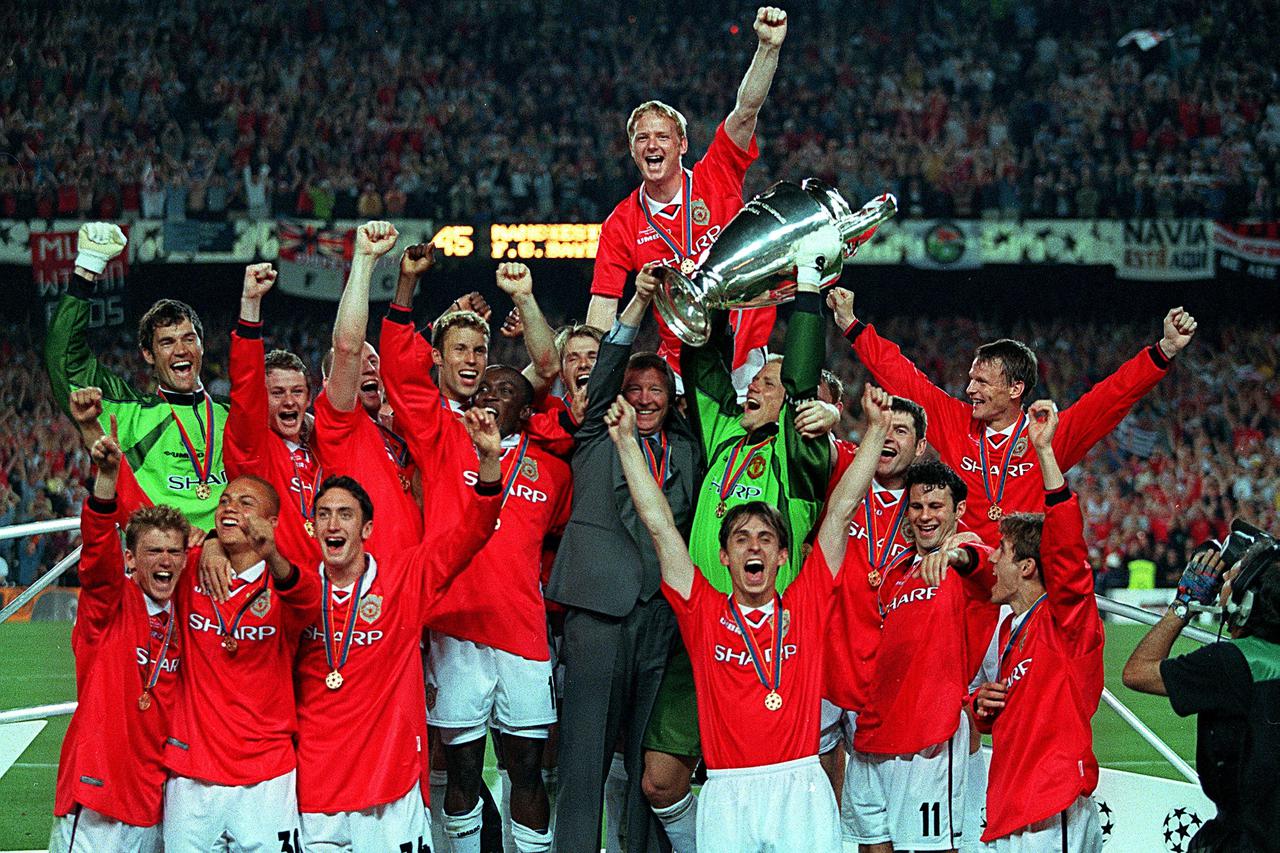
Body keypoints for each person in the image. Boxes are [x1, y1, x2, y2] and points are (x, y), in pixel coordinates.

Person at [607, 382, 893, 852]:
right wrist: (625, 445)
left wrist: (877, 431)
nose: (754, 546)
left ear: (783, 556)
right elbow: (658, 523)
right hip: (727, 791)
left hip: (799, 787)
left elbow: (840, 512)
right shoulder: (701, 611)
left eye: (764, 538)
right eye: (741, 539)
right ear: (723, 557)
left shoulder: (806, 603)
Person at [636, 248, 834, 847]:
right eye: (755, 380)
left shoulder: (799, 455)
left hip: (771, 638)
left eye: (768, 384)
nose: (754, 387)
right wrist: (706, 288)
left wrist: (806, 291)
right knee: (659, 780)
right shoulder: (725, 433)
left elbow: (801, 381)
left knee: (787, 780)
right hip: (702, 630)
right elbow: (702, 362)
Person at [380, 264, 573, 853]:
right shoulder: (439, 432)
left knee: (527, 770)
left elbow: (548, 369)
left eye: (503, 388)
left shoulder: (551, 462)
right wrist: (408, 289)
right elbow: (397, 366)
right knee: (460, 772)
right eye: (481, 386)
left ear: (526, 406)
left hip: (521, 631)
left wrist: (524, 298)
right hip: (456, 626)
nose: (488, 394)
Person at [828, 287, 1198, 543]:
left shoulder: (1046, 437)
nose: (970, 389)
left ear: (1015, 389)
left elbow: (1110, 397)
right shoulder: (956, 422)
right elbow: (903, 375)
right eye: (971, 379)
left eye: (983, 382)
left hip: (1025, 590)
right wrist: (851, 325)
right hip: (967, 588)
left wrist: (1163, 350)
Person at [293, 408, 505, 853]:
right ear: (313, 527)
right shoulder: (297, 589)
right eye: (325, 515)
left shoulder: (406, 578)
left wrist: (488, 463)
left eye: (346, 515)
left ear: (367, 528)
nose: (334, 524)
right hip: (316, 788)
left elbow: (472, 533)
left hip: (389, 788)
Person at [546, 274, 703, 853]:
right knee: (583, 766)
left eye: (654, 389)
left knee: (643, 766)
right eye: (632, 389)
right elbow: (610, 363)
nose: (642, 398)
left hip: (661, 620)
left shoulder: (688, 451)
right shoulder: (596, 432)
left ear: (670, 397)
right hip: (597, 615)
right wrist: (636, 302)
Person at [587, 7, 788, 394]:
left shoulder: (717, 176)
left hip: (747, 364)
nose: (652, 145)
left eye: (662, 136)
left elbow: (745, 112)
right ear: (632, 150)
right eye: (642, 138)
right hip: (682, 372)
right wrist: (593, 372)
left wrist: (767, 48)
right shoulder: (622, 222)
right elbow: (601, 307)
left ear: (682, 145)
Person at [50, 416, 187, 853]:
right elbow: (95, 554)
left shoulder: (188, 617)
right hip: (96, 800)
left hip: (154, 805)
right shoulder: (109, 605)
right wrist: (106, 482)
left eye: (174, 551)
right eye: (153, 551)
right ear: (130, 558)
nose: (164, 560)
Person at [971, 401, 1104, 852]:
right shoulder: (1013, 631)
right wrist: (982, 706)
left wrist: (1045, 453)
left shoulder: (1065, 620)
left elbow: (1067, 552)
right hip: (1013, 811)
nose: (990, 557)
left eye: (1001, 551)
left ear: (1028, 567)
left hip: (1049, 812)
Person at [162, 475, 320, 852]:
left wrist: (272, 556)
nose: (230, 507)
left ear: (273, 523)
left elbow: (308, 600)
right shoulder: (190, 567)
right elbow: (141, 516)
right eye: (225, 501)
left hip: (266, 776)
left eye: (246, 503)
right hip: (191, 773)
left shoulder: (287, 582)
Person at [846, 459, 994, 853]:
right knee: (872, 845)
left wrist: (956, 553)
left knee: (933, 847)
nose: (924, 516)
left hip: (930, 734)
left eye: (936, 507)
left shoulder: (965, 556)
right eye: (916, 507)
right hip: (874, 732)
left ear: (959, 510)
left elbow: (984, 564)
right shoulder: (894, 572)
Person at [45, 222, 230, 526]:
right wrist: (87, 270)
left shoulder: (232, 412)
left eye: (188, 339)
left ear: (202, 346)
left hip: (227, 560)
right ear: (148, 354)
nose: (181, 350)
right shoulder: (128, 412)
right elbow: (63, 358)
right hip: (162, 562)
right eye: (167, 342)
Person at [1122, 540, 1280, 852]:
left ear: (1245, 601)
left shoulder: (1230, 662)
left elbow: (1136, 672)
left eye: (1230, 577)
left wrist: (1184, 605)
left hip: (1248, 837)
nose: (1222, 582)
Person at [820, 395, 927, 798]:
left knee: (883, 803)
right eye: (881, 427)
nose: (888, 438)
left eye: (900, 430)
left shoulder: (928, 503)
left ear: (919, 447)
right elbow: (817, 441)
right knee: (822, 789)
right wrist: (833, 413)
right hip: (830, 660)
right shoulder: (847, 466)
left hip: (889, 673)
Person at [313, 221, 424, 557]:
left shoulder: (397, 436)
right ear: (329, 384)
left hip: (414, 588)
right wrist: (363, 259)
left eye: (374, 360)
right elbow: (347, 345)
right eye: (360, 362)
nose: (369, 365)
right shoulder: (339, 426)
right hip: (369, 590)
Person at [222, 261, 323, 569]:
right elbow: (245, 387)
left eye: (297, 391)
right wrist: (250, 304)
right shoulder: (255, 448)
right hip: (276, 590)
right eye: (277, 393)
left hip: (329, 591)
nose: (290, 401)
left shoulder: (323, 449)